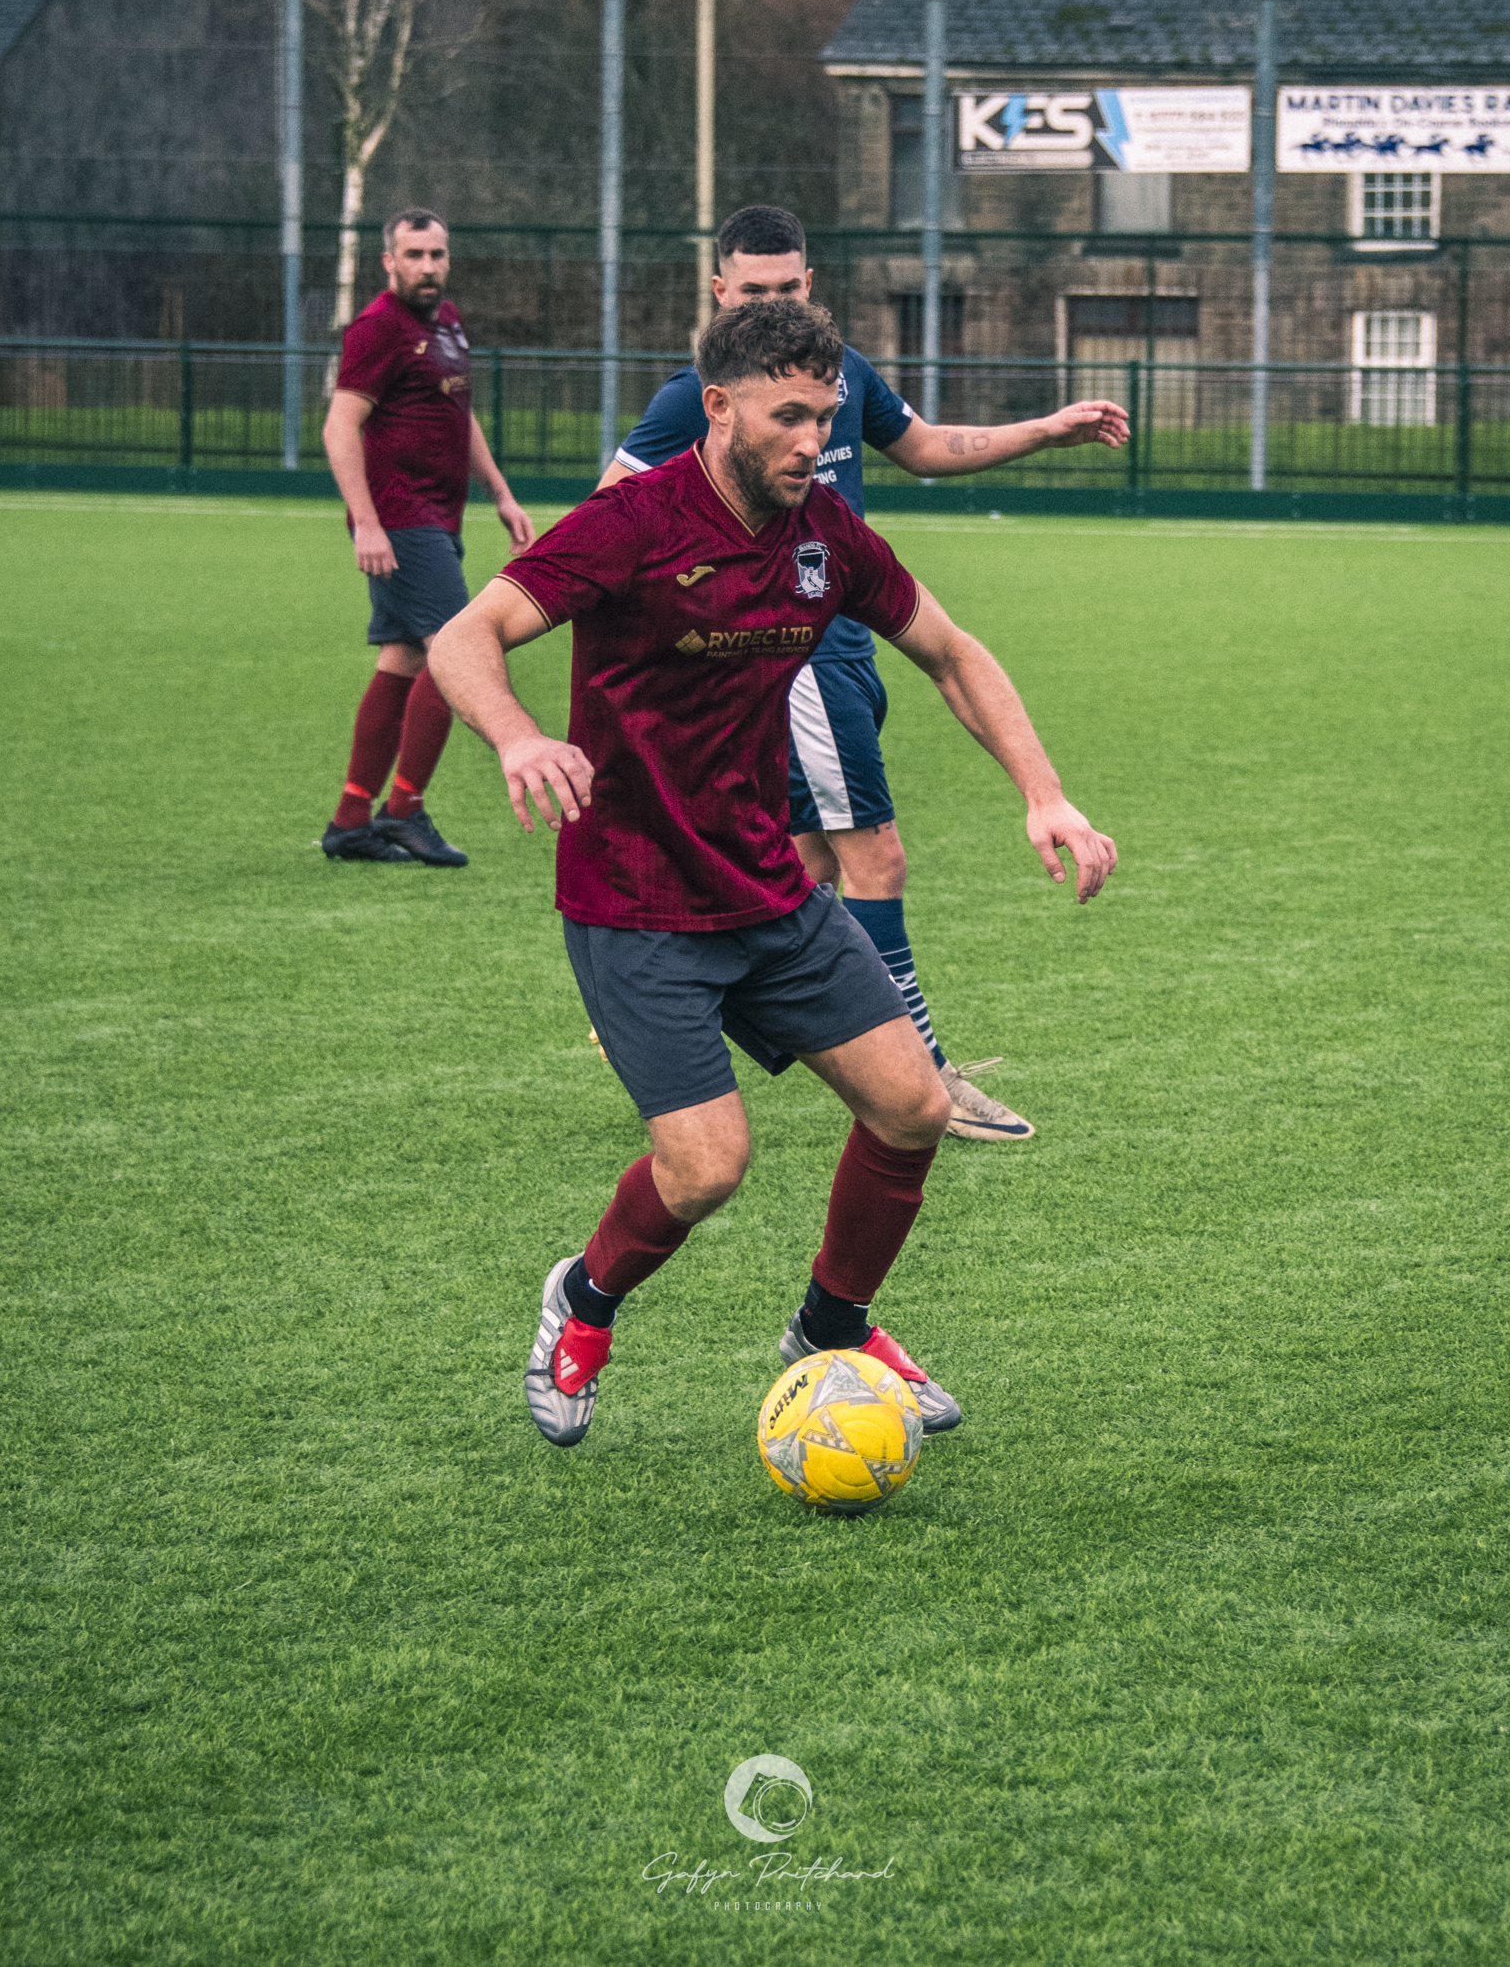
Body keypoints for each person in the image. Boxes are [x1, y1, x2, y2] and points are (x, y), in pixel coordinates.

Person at [428, 296, 1117, 1450]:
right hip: (636, 902)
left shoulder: (825, 536)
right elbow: (465, 636)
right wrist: (516, 737)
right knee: (706, 1170)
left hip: (770, 892)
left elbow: (950, 651)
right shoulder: (632, 521)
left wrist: (1044, 792)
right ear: (718, 407)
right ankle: (582, 1302)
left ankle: (830, 1328)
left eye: (825, 413)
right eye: (787, 416)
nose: (812, 439)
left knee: (912, 1106)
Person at [599, 203, 1128, 1142]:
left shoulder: (845, 379)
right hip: (790, 655)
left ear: (810, 287)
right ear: (720, 296)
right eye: (750, 292)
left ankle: (657, 1002)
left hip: (846, 634)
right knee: (871, 853)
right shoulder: (696, 399)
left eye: (785, 288)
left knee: (794, 857)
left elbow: (922, 449)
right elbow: (611, 519)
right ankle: (923, 1074)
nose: (768, 304)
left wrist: (1043, 431)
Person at [320, 209, 534, 867]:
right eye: (413, 254)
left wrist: (499, 491)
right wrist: (367, 523)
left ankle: (351, 821)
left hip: (438, 518)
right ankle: (404, 811)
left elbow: (458, 414)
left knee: (404, 662)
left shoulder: (447, 324)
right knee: (456, 656)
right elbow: (339, 427)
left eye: (437, 254)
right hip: (402, 523)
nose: (428, 266)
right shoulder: (378, 329)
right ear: (388, 261)